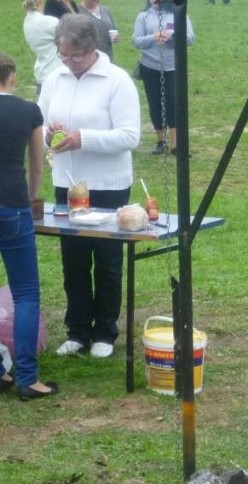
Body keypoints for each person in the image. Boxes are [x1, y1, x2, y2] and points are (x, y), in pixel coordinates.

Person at [38, 15, 140, 359]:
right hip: (67, 183)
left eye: (74, 57)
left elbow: (130, 135)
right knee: (74, 260)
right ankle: (78, 329)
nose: (68, 62)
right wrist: (49, 134)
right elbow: (38, 122)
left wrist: (84, 139)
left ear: (92, 49)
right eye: (63, 55)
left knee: (108, 260)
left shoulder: (117, 81)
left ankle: (105, 331)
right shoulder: (55, 78)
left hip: (108, 185)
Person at [0, 52, 59, 400]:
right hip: (13, 206)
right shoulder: (28, 111)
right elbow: (37, 166)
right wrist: (30, 197)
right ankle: (28, 378)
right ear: (13, 77)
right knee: (25, 294)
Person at [133, 0, 195, 155]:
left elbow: (191, 38)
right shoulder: (143, 16)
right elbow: (137, 41)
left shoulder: (177, 14)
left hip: (173, 67)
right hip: (150, 67)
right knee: (155, 104)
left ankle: (176, 145)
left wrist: (173, 34)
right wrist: (154, 37)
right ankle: (161, 141)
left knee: (173, 103)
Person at [22, 0, 64, 97]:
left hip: (42, 74)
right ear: (40, 2)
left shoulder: (27, 22)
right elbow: (72, 39)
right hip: (57, 75)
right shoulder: (49, 22)